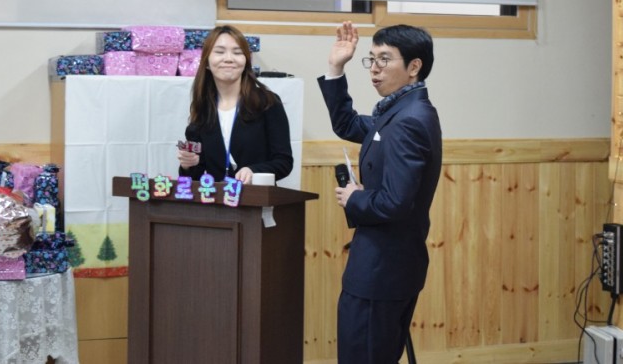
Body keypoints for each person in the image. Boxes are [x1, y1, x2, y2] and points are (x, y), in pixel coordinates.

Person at [318, 21, 442, 363]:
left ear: (414, 67)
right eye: (371, 59)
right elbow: (346, 124)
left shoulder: (409, 120)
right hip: (385, 268)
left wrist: (354, 198)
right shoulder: (398, 111)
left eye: (385, 60)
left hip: (382, 271)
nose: (374, 69)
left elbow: (395, 202)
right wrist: (336, 67)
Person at [178, 25, 293, 184]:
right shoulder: (203, 108)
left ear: (246, 61)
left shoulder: (267, 102)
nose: (229, 58)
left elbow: (284, 162)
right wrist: (188, 165)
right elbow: (195, 176)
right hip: (217, 197)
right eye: (220, 52)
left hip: (256, 196)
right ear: (206, 63)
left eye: (237, 52)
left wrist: (254, 171)